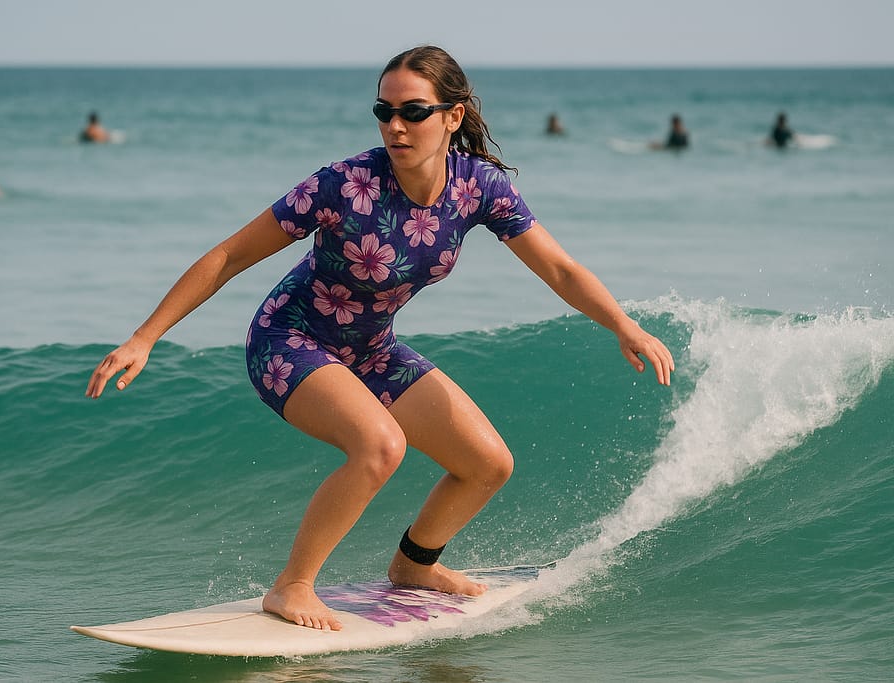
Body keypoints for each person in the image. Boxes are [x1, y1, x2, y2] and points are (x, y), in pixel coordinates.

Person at [85, 45, 674, 632]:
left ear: (453, 115)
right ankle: (291, 587)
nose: (395, 125)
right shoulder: (344, 185)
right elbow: (229, 255)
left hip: (371, 349)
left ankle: (415, 566)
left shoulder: (478, 188)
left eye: (413, 111)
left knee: (488, 464)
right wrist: (145, 337)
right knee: (380, 447)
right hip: (289, 340)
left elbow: (561, 270)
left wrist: (623, 324)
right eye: (383, 110)